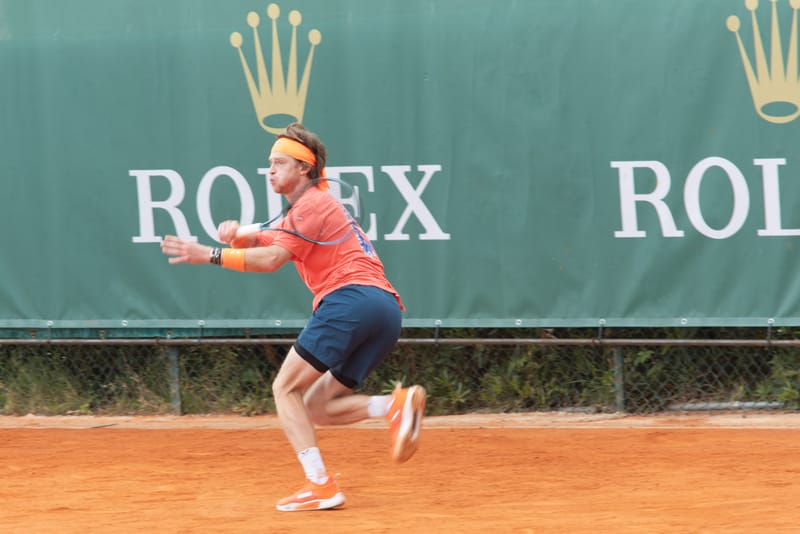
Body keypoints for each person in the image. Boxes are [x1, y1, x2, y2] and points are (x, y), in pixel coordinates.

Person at [160, 123, 426, 512]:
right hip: (385, 311)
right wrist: (236, 235)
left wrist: (210, 254)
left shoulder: (312, 205)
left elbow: (270, 260)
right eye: (268, 163)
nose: (269, 170)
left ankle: (319, 484)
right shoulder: (316, 205)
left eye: (278, 162)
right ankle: (392, 406)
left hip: (348, 301)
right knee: (317, 406)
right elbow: (263, 239)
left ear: (304, 168)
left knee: (285, 389)